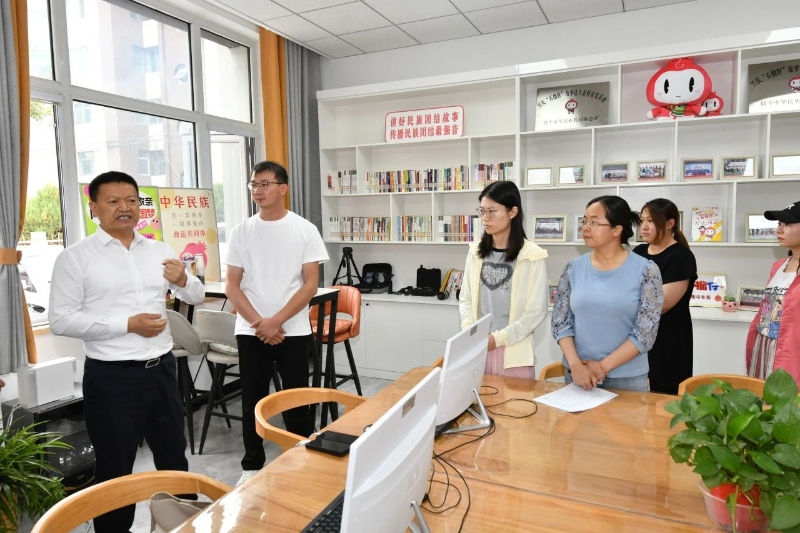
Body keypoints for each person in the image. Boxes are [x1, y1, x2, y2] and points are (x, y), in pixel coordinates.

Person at [49, 171, 204, 533]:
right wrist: (127, 324)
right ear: (94, 207)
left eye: (132, 200)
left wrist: (183, 280)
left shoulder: (160, 251)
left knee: (174, 457)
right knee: (115, 467)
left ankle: (182, 527)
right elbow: (61, 320)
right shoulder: (75, 258)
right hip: (111, 377)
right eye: (114, 201)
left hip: (161, 370)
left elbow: (195, 295)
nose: (125, 207)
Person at [225, 161, 329, 486]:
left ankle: (303, 459)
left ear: (283, 188)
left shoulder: (304, 229)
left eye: (264, 184)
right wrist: (260, 324)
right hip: (251, 330)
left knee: (295, 399)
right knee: (253, 401)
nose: (258, 190)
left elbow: (310, 285)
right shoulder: (241, 231)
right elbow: (232, 286)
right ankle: (251, 465)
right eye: (254, 184)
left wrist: (277, 321)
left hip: (293, 330)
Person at [551, 195, 663, 392]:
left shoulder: (646, 270)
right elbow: (561, 322)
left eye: (594, 222)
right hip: (579, 375)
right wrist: (575, 365)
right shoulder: (572, 268)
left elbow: (645, 332)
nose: (585, 228)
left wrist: (602, 367)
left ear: (616, 230)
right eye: (584, 221)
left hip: (627, 379)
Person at [459, 180, 549, 379]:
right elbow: (465, 298)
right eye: (482, 211)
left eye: (492, 211)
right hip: (477, 349)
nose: (485, 218)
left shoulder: (532, 255)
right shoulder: (475, 252)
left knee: (515, 400)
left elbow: (536, 311)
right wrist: (470, 330)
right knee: (476, 398)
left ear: (512, 212)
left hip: (515, 351)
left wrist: (498, 339)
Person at [633, 198, 697, 394]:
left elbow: (663, 304)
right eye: (642, 220)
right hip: (637, 334)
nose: (644, 227)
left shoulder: (681, 256)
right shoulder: (638, 251)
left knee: (664, 396)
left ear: (670, 224)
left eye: (651, 221)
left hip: (668, 338)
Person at [746, 200, 800, 382]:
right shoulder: (778, 266)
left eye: (788, 224)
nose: (779, 230)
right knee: (761, 396)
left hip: (791, 351)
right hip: (764, 345)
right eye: (779, 223)